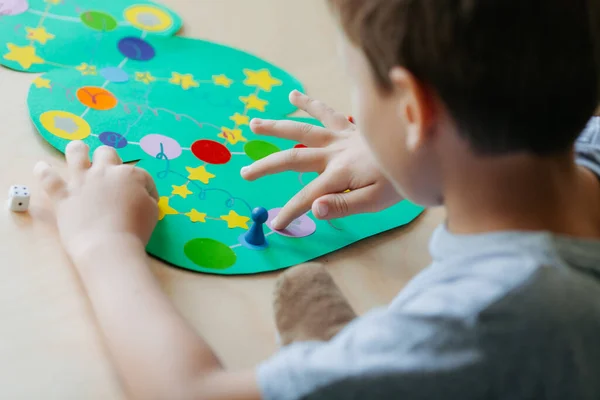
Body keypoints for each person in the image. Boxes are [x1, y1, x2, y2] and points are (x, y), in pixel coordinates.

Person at [34, 0, 600, 399]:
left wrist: (101, 241)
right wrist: (419, 154)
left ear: (412, 109)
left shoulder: (483, 321)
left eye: (358, 84)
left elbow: (190, 393)